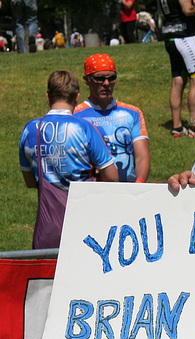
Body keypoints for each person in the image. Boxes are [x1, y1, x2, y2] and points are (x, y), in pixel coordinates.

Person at [18, 71, 118, 249]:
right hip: (83, 223)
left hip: (47, 227)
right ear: (77, 97)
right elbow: (112, 177)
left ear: (48, 96)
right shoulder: (85, 128)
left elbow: (30, 182)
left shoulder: (30, 129)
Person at [74, 54, 150, 183]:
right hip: (93, 192)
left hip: (129, 190)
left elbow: (142, 156)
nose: (106, 83)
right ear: (86, 80)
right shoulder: (75, 116)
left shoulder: (132, 113)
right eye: (99, 78)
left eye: (111, 78)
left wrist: (139, 183)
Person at [159, 0, 195, 137]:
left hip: (170, 36)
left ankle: (177, 127)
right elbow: (187, 10)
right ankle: (194, 125)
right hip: (185, 37)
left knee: (178, 81)